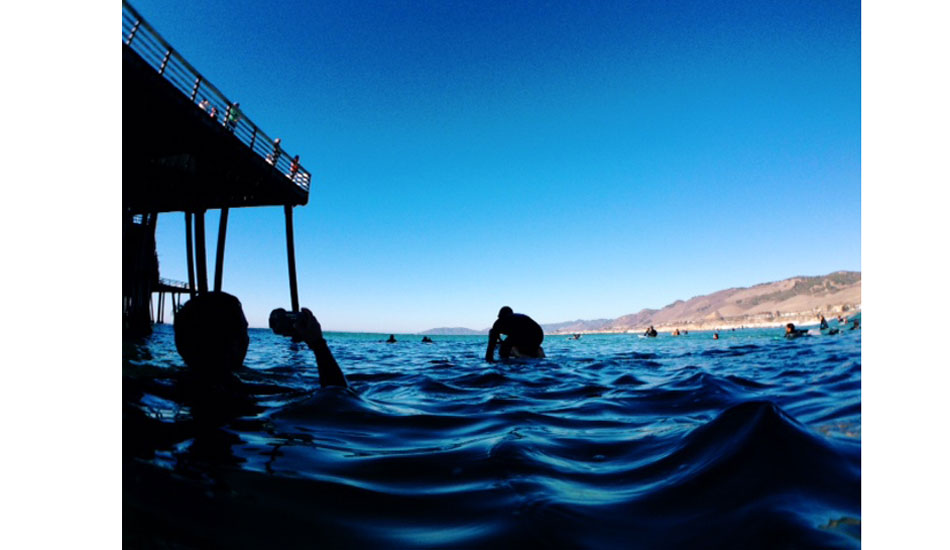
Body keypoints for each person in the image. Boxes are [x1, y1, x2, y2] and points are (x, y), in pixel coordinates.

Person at [176, 292, 347, 388]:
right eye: (244, 331)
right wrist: (318, 344)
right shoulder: (236, 392)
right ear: (234, 343)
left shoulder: (179, 383)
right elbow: (337, 394)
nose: (247, 340)